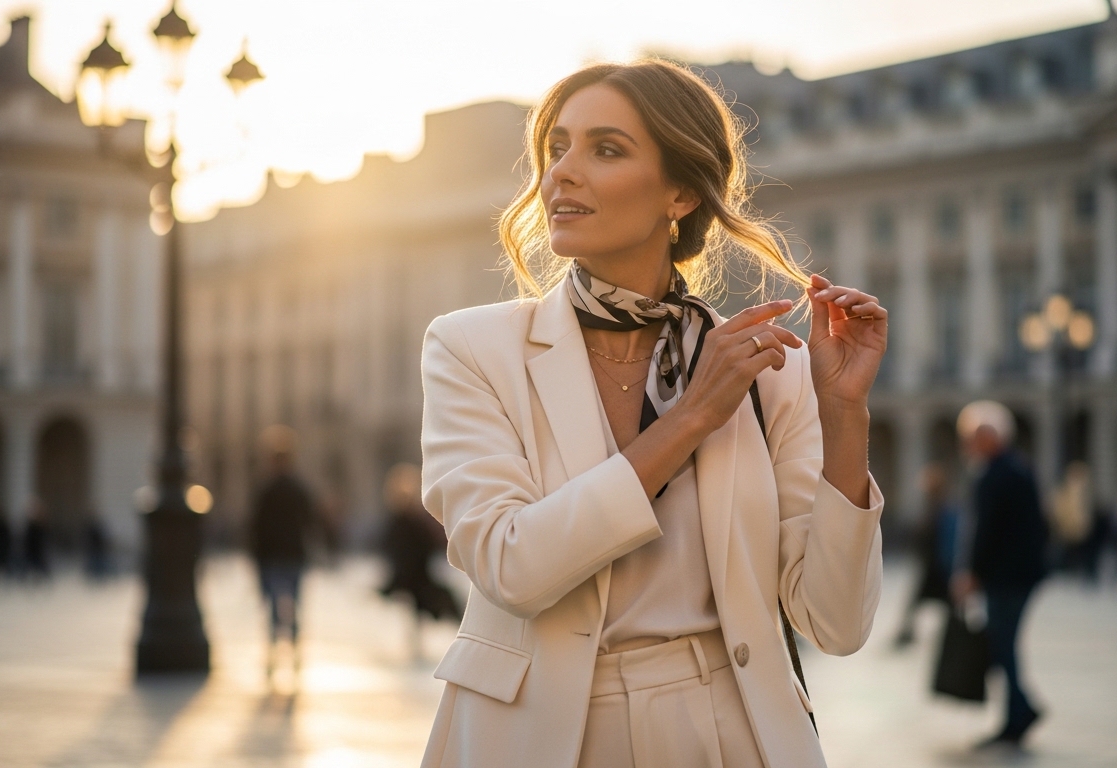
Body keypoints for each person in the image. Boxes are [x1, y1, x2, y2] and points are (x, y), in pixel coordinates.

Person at [418, 60, 888, 768]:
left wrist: (844, 413)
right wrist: (690, 418)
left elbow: (835, 623)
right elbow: (509, 564)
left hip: (727, 732)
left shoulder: (770, 371)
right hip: (533, 737)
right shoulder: (471, 347)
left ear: (679, 193)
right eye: (557, 148)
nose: (562, 173)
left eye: (605, 149)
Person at [950, 400, 1048, 749]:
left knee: (1002, 644)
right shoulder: (1019, 469)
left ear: (992, 437)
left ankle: (1020, 713)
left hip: (1005, 577)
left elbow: (984, 530)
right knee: (1005, 644)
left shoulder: (993, 473)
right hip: (1021, 574)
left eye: (973, 436)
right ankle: (1016, 715)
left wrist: (971, 573)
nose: (969, 444)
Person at [249, 425, 318, 669]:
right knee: (293, 603)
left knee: (275, 604)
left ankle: (275, 649)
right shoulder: (297, 488)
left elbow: (255, 526)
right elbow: (311, 520)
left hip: (274, 556)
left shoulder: (265, 488)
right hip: (292, 553)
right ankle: (292, 647)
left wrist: (255, 557)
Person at [378, 462, 462, 659]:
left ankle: (417, 643)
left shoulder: (401, 521)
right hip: (414, 574)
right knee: (429, 607)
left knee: (422, 609)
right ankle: (421, 643)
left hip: (411, 574)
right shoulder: (408, 521)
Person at [893, 463, 959, 648]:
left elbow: (938, 537)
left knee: (947, 604)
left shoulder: (942, 508)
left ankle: (953, 634)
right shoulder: (935, 506)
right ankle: (908, 632)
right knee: (921, 603)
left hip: (938, 568)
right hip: (932, 567)